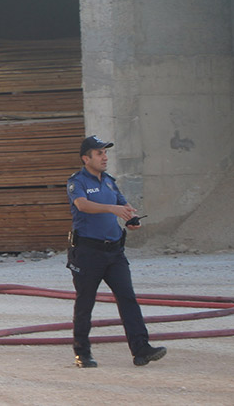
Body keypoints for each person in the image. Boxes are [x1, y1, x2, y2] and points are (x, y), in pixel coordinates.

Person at [66, 135, 167, 368]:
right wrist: (112, 208)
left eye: (105, 153)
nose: (105, 157)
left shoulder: (110, 181)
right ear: (86, 158)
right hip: (88, 252)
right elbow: (82, 204)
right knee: (85, 303)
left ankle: (141, 349)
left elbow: (123, 205)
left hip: (114, 253)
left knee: (127, 298)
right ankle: (82, 353)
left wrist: (131, 217)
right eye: (99, 153)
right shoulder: (77, 182)